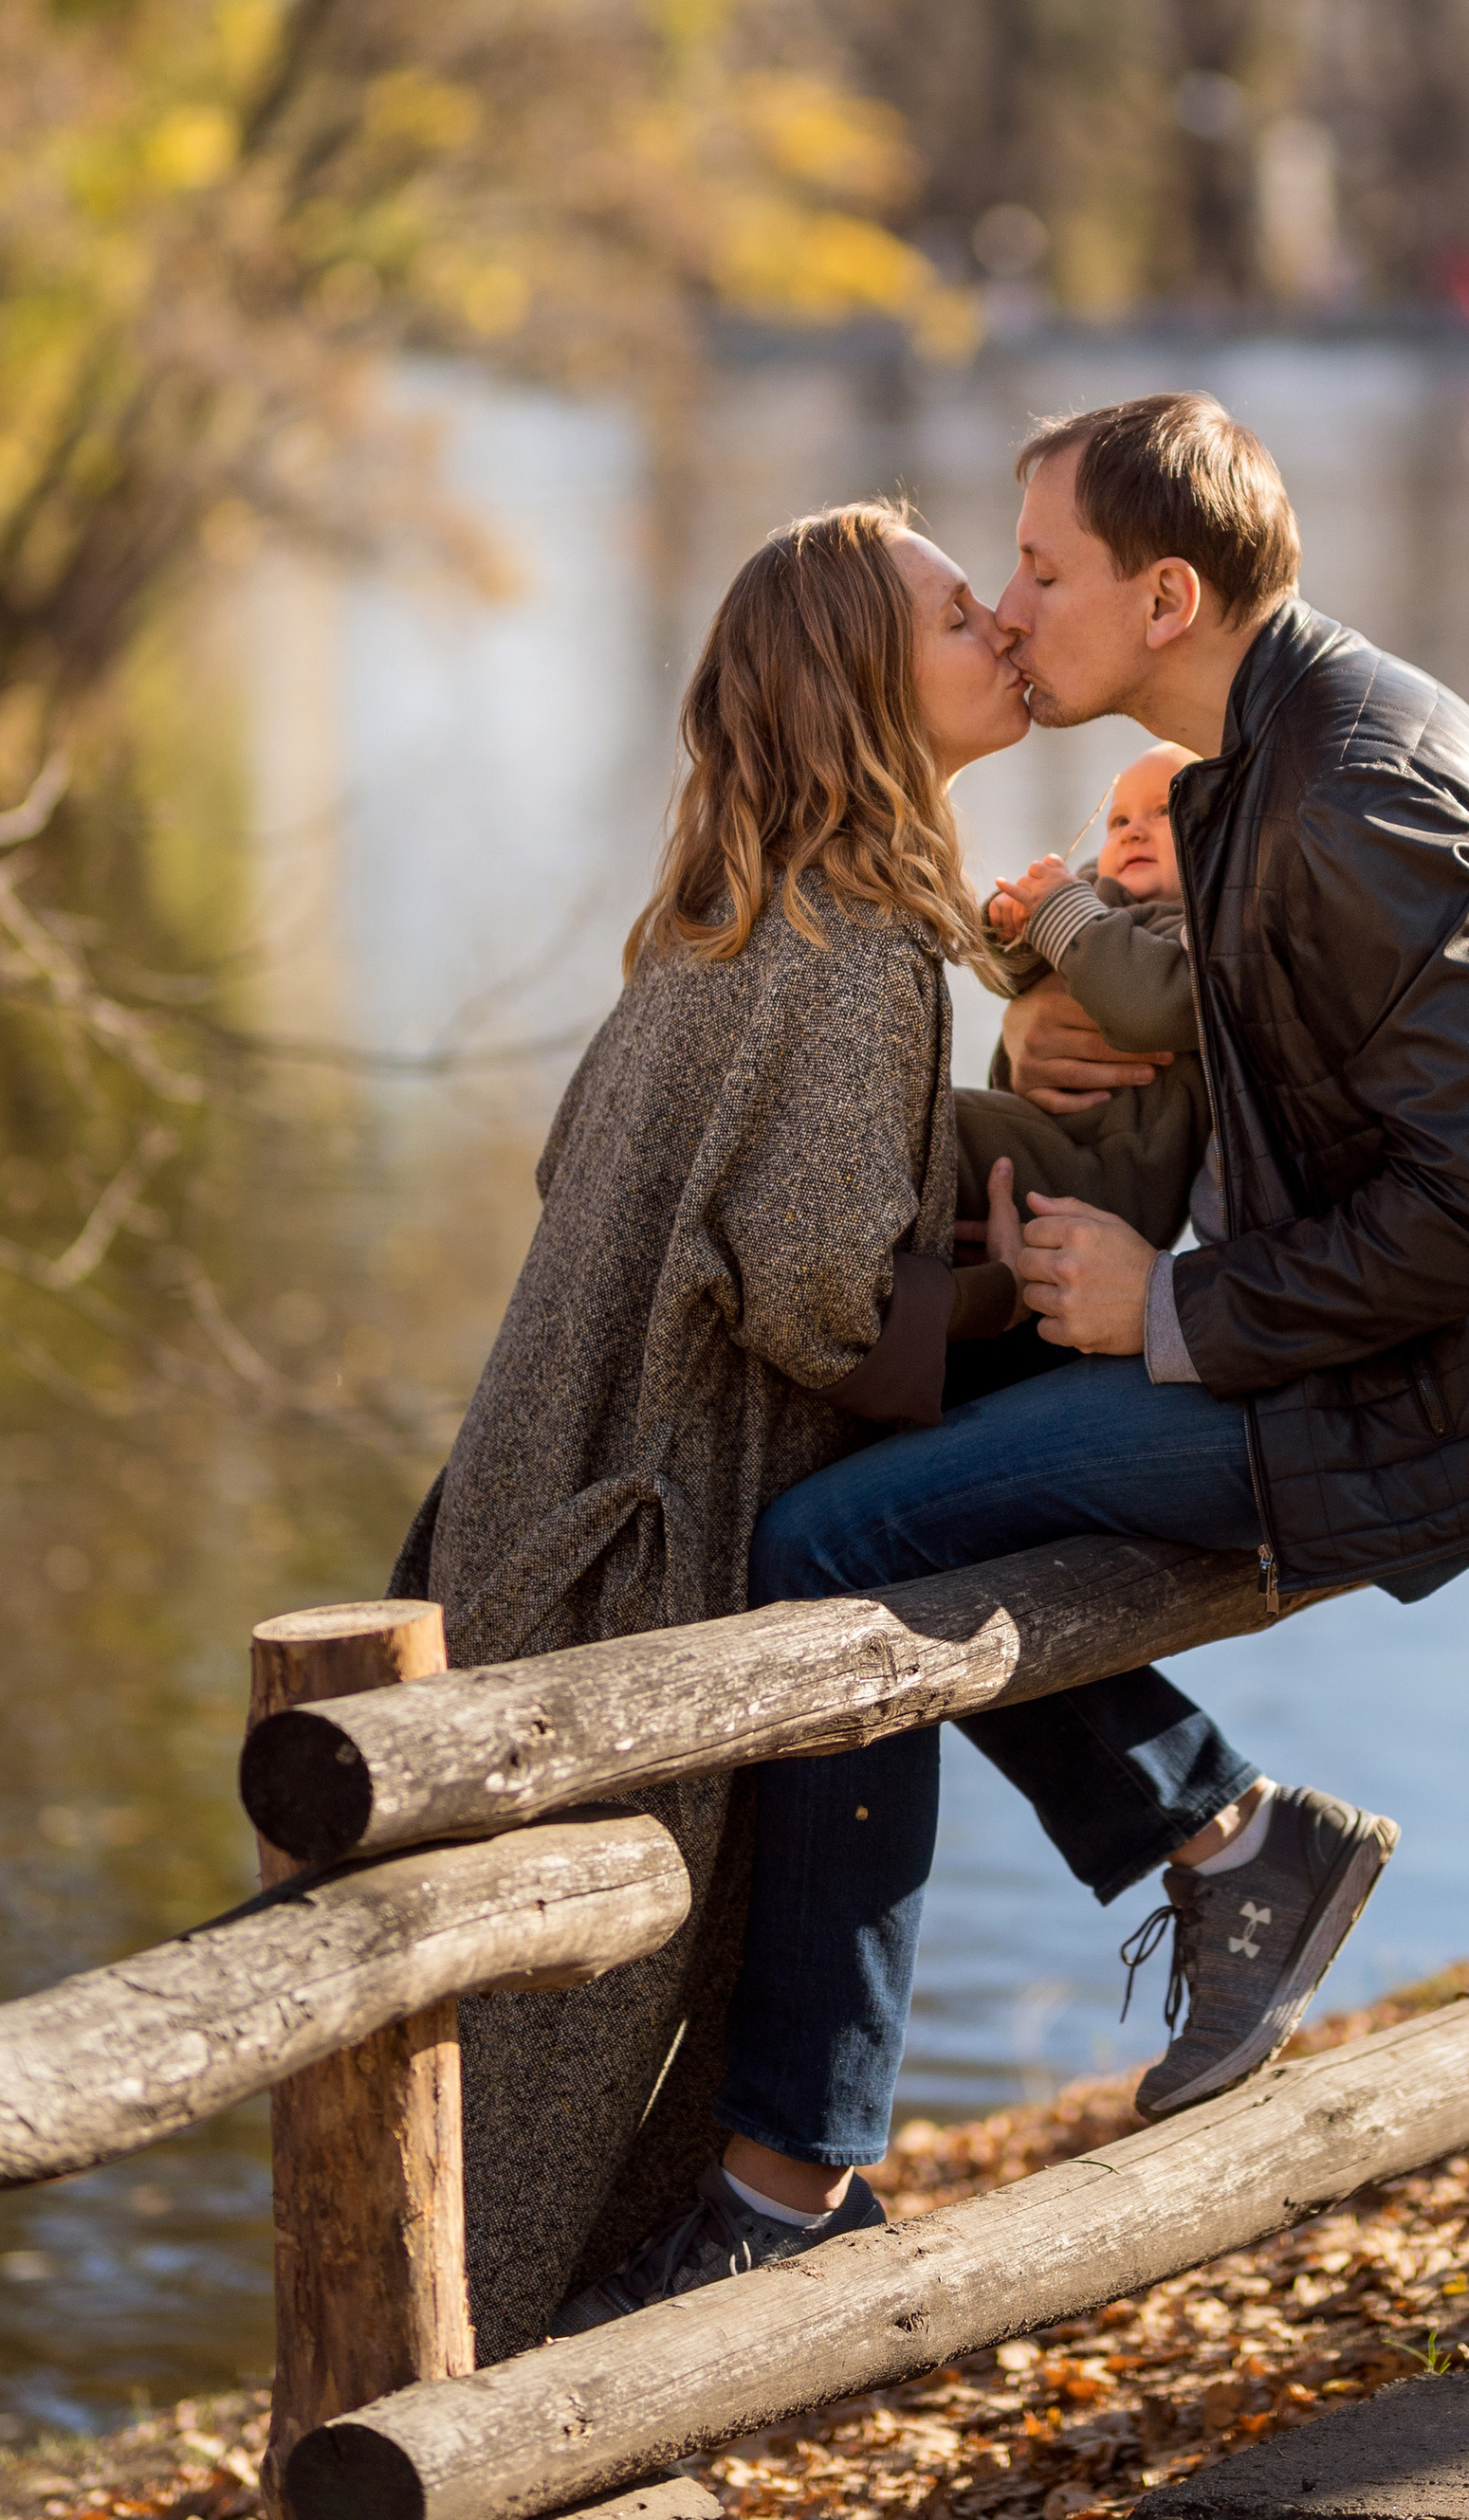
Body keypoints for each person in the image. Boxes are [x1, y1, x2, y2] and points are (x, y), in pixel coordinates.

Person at [577, 391, 1469, 2325]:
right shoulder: (1278, 757)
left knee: (825, 1546)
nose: (1012, 611)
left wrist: (1169, 1309)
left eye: (1039, 568)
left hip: (1416, 1403)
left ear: (1163, 590)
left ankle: (794, 2169)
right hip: (1344, 1359)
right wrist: (1057, 1092)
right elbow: (1286, 1092)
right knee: (882, 1474)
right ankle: (1214, 1843)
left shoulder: (1351, 792)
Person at [392, 500, 1037, 2362]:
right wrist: (1003, 1288)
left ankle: (471, 2411)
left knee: (520, 2049)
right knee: (563, 2069)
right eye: (948, 608)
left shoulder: (707, 932)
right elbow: (819, 1300)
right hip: (644, 1553)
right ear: (858, 681)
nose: (995, 618)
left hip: (526, 1520)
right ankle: (465, 2438)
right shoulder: (854, 958)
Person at [952, 741, 1209, 1258]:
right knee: (916, 1118)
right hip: (1052, 1139)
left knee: (928, 1124)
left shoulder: (1199, 938)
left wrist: (1063, 914)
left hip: (1111, 1180)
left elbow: (1146, 1001)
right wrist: (1012, 926)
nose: (1134, 830)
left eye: (1165, 810)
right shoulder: (1094, 903)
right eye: (1118, 821)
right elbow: (1006, 979)